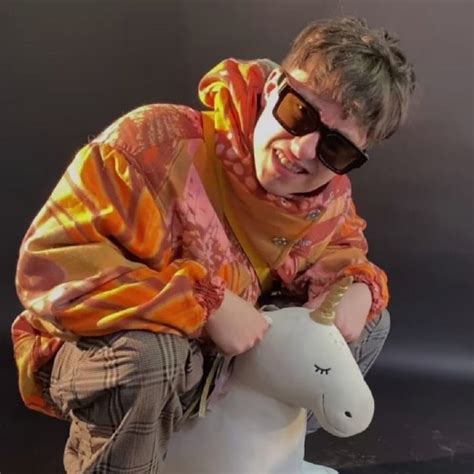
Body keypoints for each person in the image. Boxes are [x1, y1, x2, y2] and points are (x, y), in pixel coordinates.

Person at [11, 16, 415, 473]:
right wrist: (204, 302)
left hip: (221, 360)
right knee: (151, 359)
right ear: (273, 87)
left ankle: (253, 458)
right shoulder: (150, 145)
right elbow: (52, 269)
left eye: (336, 148)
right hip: (121, 348)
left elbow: (342, 249)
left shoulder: (327, 193)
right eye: (299, 113)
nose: (304, 150)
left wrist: (356, 286)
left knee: (368, 322)